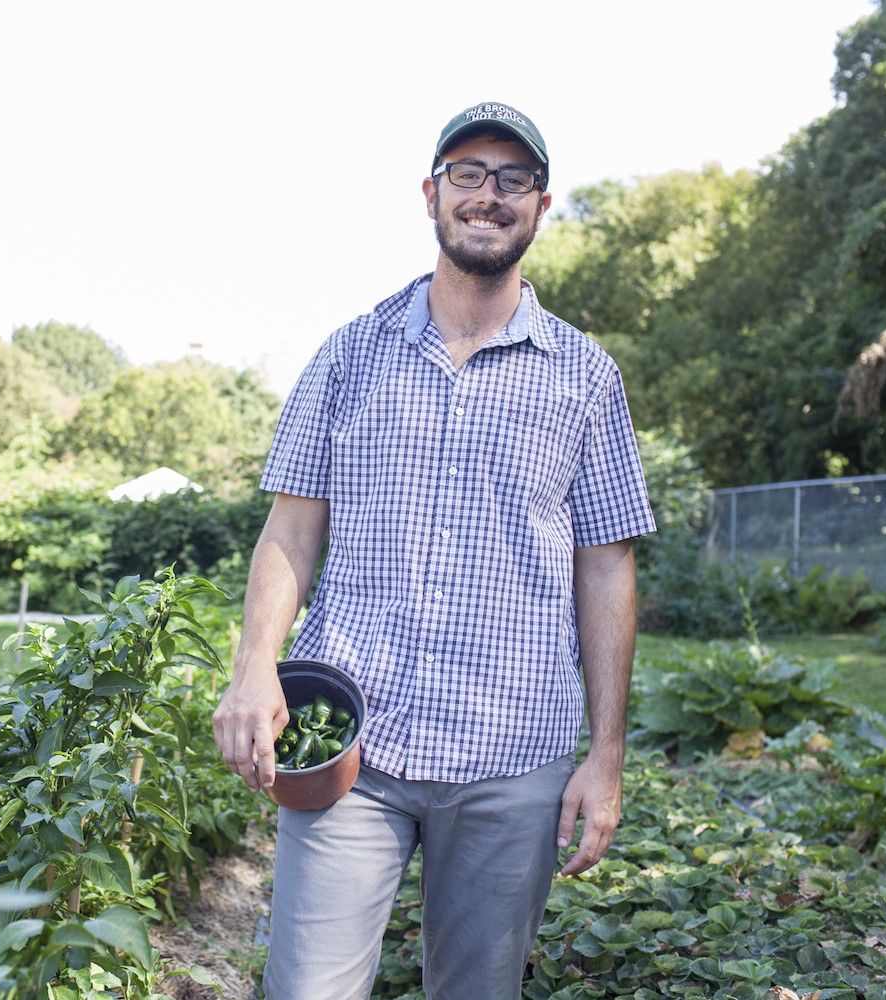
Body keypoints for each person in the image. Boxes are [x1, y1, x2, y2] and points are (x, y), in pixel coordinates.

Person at [212, 100, 656, 1000]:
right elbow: (290, 529)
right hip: (352, 747)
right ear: (431, 194)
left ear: (540, 204)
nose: (487, 195)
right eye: (467, 174)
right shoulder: (350, 355)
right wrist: (255, 665)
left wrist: (604, 754)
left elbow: (606, 564)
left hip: (512, 751)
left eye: (512, 179)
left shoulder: (585, 376)